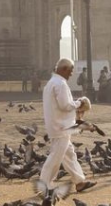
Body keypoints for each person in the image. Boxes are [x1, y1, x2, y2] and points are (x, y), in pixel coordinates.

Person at [38, 58, 95, 197]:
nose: (71, 74)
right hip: (61, 127)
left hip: (57, 125)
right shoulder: (60, 84)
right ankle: (44, 186)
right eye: (70, 71)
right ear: (63, 69)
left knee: (69, 154)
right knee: (55, 157)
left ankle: (79, 182)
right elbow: (65, 105)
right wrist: (79, 103)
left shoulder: (51, 83)